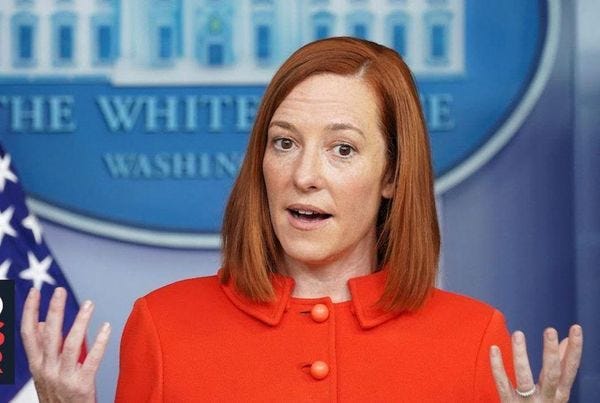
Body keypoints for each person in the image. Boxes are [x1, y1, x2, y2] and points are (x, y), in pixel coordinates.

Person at [21, 37, 583, 402]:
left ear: (392, 175)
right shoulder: (164, 326)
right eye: (285, 142)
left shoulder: (473, 338)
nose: (304, 174)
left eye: (343, 149)